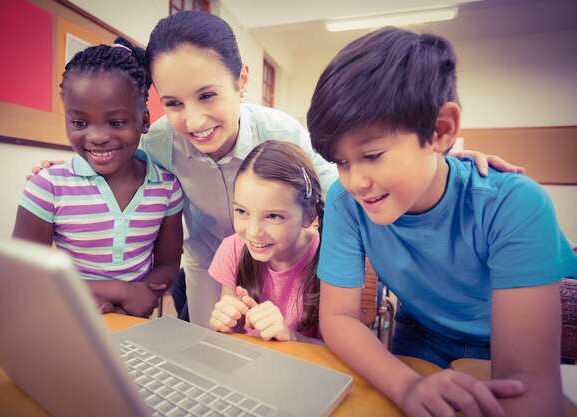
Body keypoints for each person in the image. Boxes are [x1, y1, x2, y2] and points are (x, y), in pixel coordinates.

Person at [29, 11, 522, 327]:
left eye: (208, 95)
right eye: (174, 103)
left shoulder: (283, 134)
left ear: (241, 80)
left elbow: (347, 185)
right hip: (210, 269)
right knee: (212, 357)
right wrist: (66, 169)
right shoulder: (157, 142)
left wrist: (444, 159)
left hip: (285, 272)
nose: (194, 121)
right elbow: (113, 159)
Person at [307, 27, 577, 417]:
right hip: (424, 334)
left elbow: (528, 384)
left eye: (373, 154)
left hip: (518, 344)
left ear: (441, 130)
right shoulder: (345, 201)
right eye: (342, 162)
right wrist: (407, 386)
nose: (355, 182)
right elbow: (338, 316)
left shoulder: (514, 202)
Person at [13, 38, 184, 318]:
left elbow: (167, 264)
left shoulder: (167, 188)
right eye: (79, 123)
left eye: (117, 122)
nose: (97, 137)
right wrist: (121, 292)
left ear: (144, 120)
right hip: (68, 317)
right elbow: (24, 274)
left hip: (135, 321)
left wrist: (138, 298)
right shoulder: (47, 187)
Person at [208, 141, 323, 344]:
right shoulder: (233, 249)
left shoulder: (328, 257)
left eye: (273, 216)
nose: (253, 232)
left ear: (309, 215)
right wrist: (227, 322)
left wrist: (290, 337)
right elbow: (232, 334)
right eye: (242, 211)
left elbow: (338, 355)